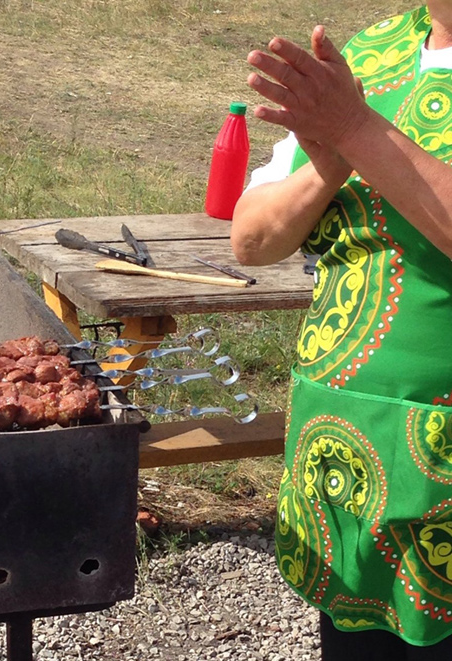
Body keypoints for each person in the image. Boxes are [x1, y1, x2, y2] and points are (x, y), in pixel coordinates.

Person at [230, 4, 452, 659]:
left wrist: (356, 130)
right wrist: (331, 163)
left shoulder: (349, 105)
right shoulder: (372, 56)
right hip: (348, 470)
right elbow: (250, 238)